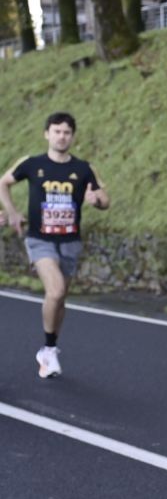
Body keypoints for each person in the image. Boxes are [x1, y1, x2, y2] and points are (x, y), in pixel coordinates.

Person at [0, 112, 110, 378]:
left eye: (67, 132)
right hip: (40, 240)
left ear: (72, 136)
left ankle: (49, 350)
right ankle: (48, 350)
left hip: (70, 241)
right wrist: (12, 212)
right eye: (57, 131)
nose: (62, 136)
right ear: (47, 134)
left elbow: (104, 200)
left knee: (60, 301)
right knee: (56, 290)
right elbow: (3, 182)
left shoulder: (84, 168)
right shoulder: (32, 163)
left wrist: (96, 200)